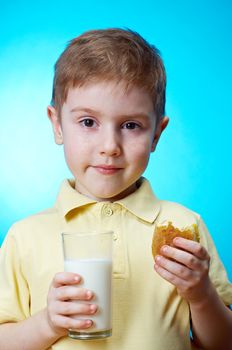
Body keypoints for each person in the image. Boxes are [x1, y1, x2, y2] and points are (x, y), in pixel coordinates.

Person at [0, 28, 231, 350]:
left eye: (131, 125)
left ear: (156, 134)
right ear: (56, 124)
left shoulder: (184, 227)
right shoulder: (24, 237)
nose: (110, 146)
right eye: (88, 122)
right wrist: (47, 323)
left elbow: (223, 343)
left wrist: (201, 294)